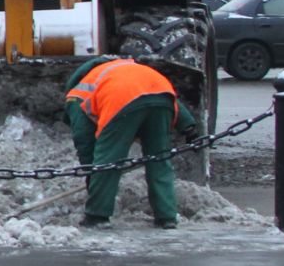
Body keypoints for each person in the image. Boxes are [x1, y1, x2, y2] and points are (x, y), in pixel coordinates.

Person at [63, 55, 202, 229]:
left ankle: (97, 216)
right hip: (163, 96)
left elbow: (85, 141)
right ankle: (166, 216)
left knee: (108, 160)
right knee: (159, 159)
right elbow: (163, 95)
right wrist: (188, 128)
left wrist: (92, 172)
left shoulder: (76, 95)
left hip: (121, 100)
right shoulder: (127, 69)